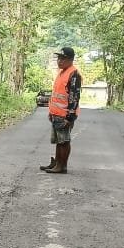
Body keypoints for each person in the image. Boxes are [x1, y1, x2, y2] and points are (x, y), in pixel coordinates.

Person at [40, 46, 82, 174]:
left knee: (64, 141)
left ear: (70, 60)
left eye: (62, 59)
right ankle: (57, 162)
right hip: (56, 114)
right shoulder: (62, 72)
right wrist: (51, 112)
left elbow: (74, 97)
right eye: (58, 58)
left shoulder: (73, 74)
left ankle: (62, 165)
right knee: (59, 141)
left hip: (65, 115)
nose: (59, 61)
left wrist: (70, 116)